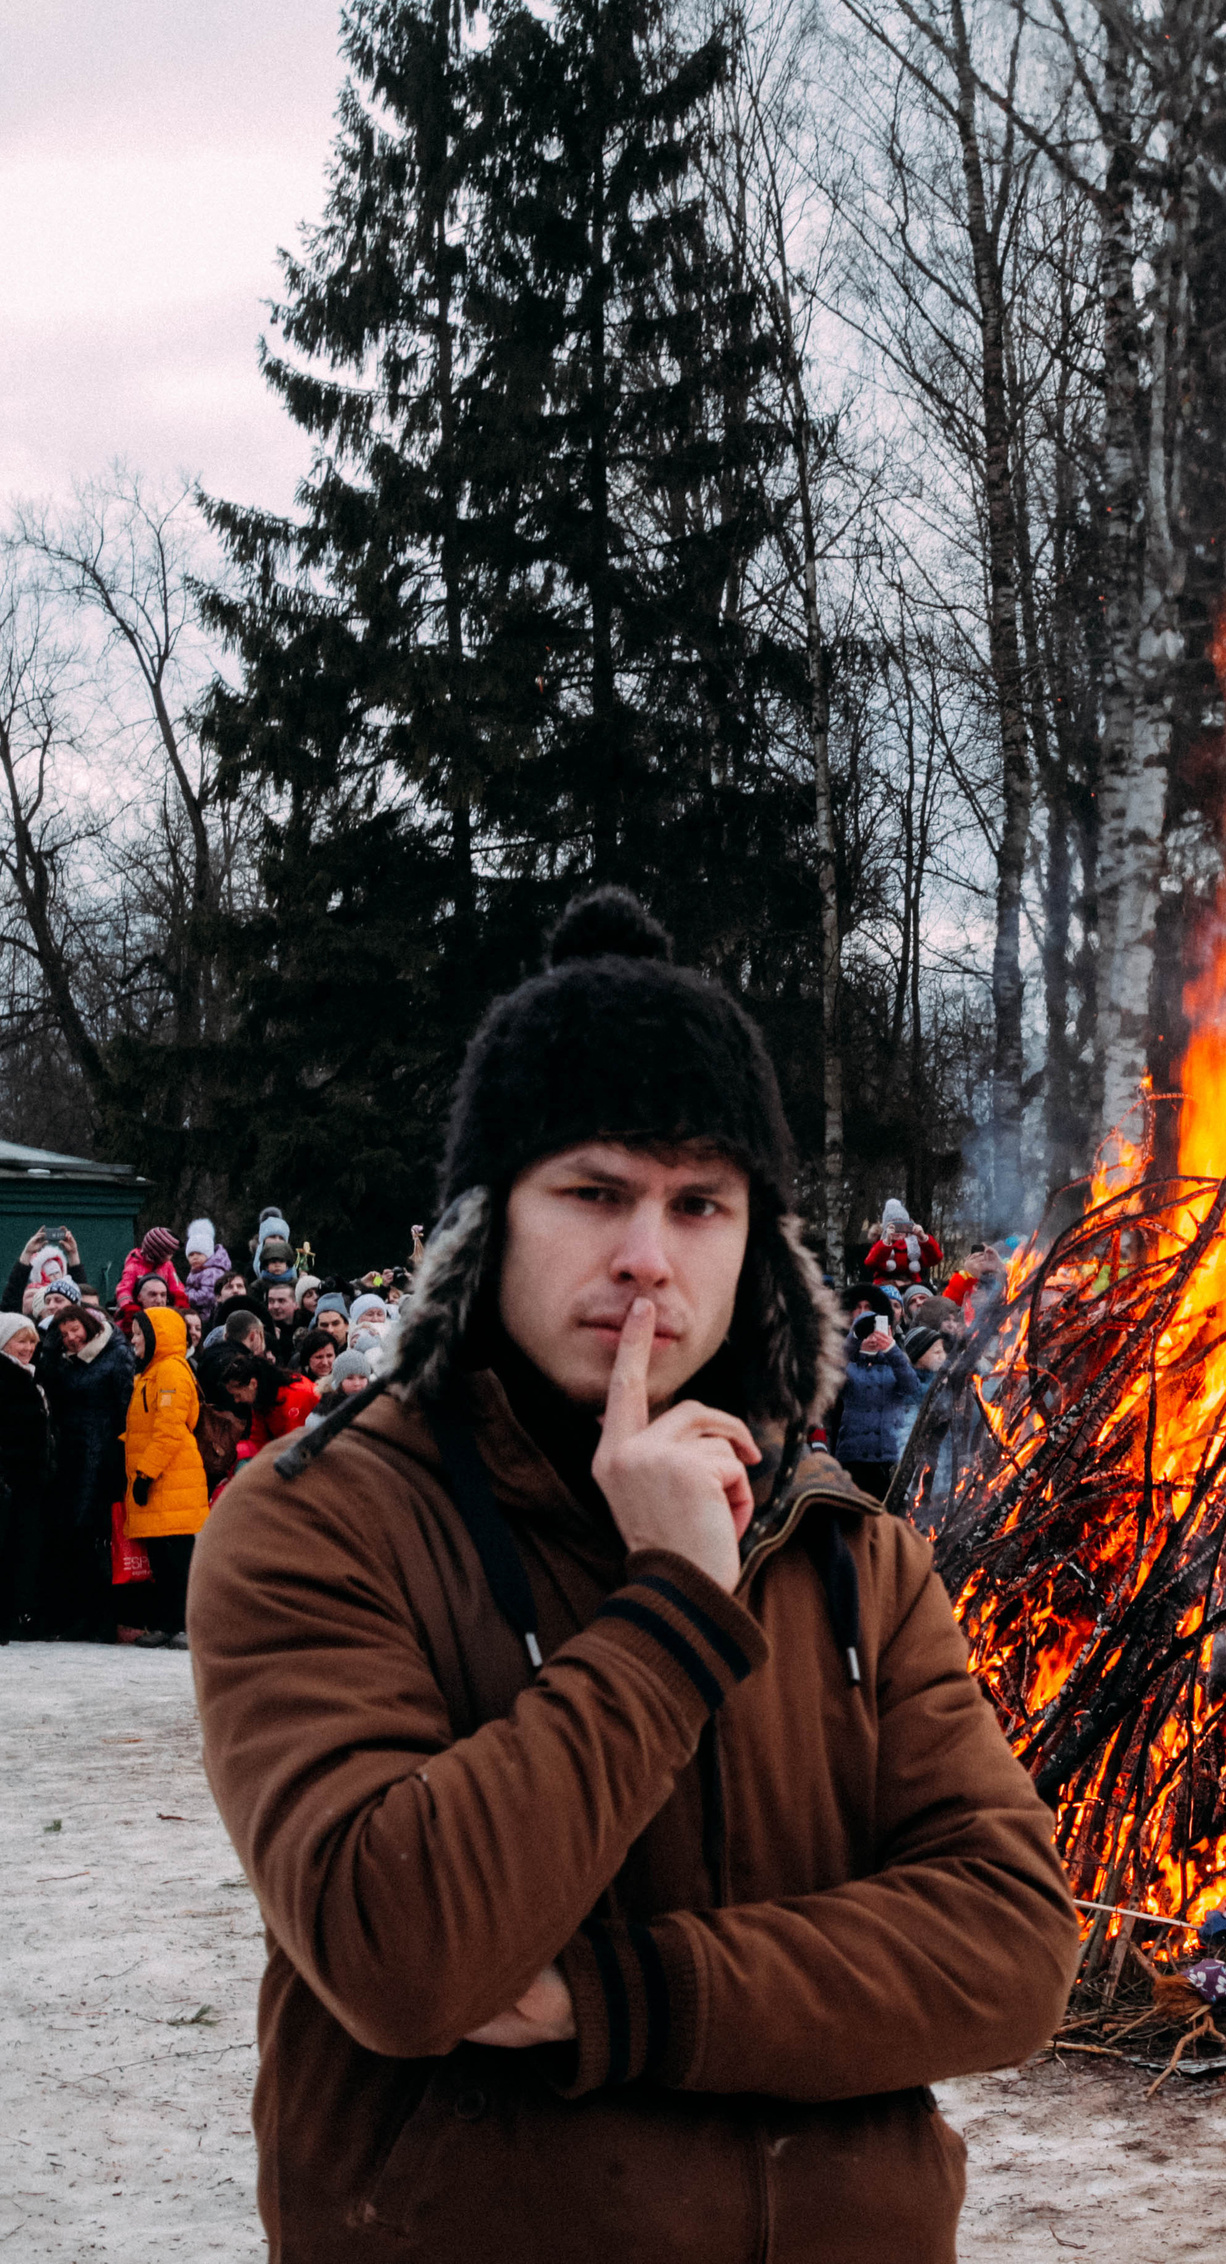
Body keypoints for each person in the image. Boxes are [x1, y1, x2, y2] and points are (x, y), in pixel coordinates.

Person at [189, 886, 1075, 2263]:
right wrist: (669, 1609)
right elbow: (399, 1952)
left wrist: (618, 1996)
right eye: (595, 1193)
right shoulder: (320, 1522)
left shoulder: (848, 1548)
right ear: (488, 1222)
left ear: (756, 1244)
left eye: (700, 1203)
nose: (648, 1260)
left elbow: (1011, 1947)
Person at [33, 1303, 133, 1641]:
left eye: (74, 1330)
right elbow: (50, 1384)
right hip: (72, 1453)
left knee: (94, 1534)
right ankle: (75, 1615)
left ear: (88, 1325)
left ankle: (100, 1618)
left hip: (102, 1453)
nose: (71, 1338)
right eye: (64, 1334)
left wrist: (118, 1455)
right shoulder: (66, 1360)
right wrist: (50, 1348)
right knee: (71, 1533)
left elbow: (125, 1406)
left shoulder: (115, 1353)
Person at [123, 1304, 209, 1644]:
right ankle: (169, 1624)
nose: (133, 1341)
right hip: (162, 1482)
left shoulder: (171, 1371)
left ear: (157, 1336)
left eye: (138, 1335)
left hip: (171, 1480)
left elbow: (169, 1430)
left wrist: (145, 1474)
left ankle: (187, 1626)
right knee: (162, 1561)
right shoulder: (153, 1372)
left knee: (178, 1560)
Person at [832, 1301, 928, 1499]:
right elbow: (833, 1375)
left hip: (889, 1456)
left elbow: (911, 1387)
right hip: (854, 1456)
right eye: (866, 1332)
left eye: (877, 1331)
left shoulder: (895, 1364)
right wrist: (854, 1339)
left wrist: (891, 1348)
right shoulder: (849, 1365)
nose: (872, 1337)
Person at [0, 1311, 54, 1642]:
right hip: (10, 1480)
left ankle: (14, 1616)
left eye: (32, 1341)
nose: (28, 1348)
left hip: (28, 1482)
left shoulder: (29, 1376)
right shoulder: (7, 1377)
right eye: (21, 1341)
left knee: (20, 1552)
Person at [863, 1196, 944, 1288]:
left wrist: (923, 1237)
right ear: (886, 1228)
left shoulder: (915, 1243)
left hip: (912, 1284)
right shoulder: (880, 1243)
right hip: (885, 1284)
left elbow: (935, 1259)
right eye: (894, 1226)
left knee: (922, 1293)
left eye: (902, 1226)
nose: (898, 1231)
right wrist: (887, 1241)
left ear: (908, 1226)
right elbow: (871, 1263)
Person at [117, 1227, 190, 1318]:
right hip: (139, 1311)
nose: (171, 1257)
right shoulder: (134, 1266)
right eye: (168, 1253)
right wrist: (129, 1308)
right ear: (158, 1252)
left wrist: (180, 1301)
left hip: (162, 1310)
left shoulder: (167, 1265)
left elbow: (176, 1286)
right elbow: (124, 1289)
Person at [184, 1219, 232, 1314]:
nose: (195, 1257)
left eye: (199, 1253)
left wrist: (185, 1296)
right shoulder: (196, 1271)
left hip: (208, 1314)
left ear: (208, 1255)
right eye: (191, 1255)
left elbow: (208, 1295)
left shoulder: (211, 1272)